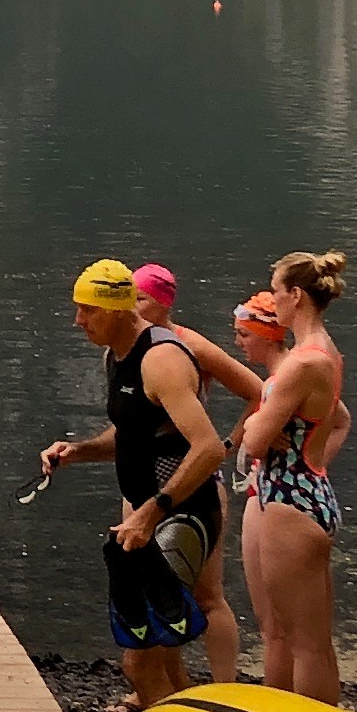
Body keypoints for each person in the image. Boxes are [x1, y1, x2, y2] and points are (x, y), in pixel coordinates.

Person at [37, 259, 227, 711]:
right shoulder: (116, 355)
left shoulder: (161, 359)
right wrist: (79, 450)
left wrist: (150, 511)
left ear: (118, 310)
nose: (77, 320)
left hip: (183, 515)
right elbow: (133, 433)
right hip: (151, 516)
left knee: (139, 661)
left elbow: (209, 448)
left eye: (88, 310)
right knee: (163, 652)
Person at [137, 264, 266, 684]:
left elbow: (258, 392)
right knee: (154, 591)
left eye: (141, 299)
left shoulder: (189, 344)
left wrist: (229, 444)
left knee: (208, 595)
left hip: (194, 479)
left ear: (163, 303)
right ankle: (171, 688)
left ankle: (225, 687)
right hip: (143, 481)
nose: (132, 307)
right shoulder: (127, 346)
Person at [238, 250, 351, 705]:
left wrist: (257, 424)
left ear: (297, 296)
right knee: (302, 638)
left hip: (290, 501)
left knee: (304, 644)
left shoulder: (303, 362)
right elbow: (333, 421)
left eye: (277, 291)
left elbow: (254, 441)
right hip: (307, 487)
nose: (274, 300)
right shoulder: (327, 352)